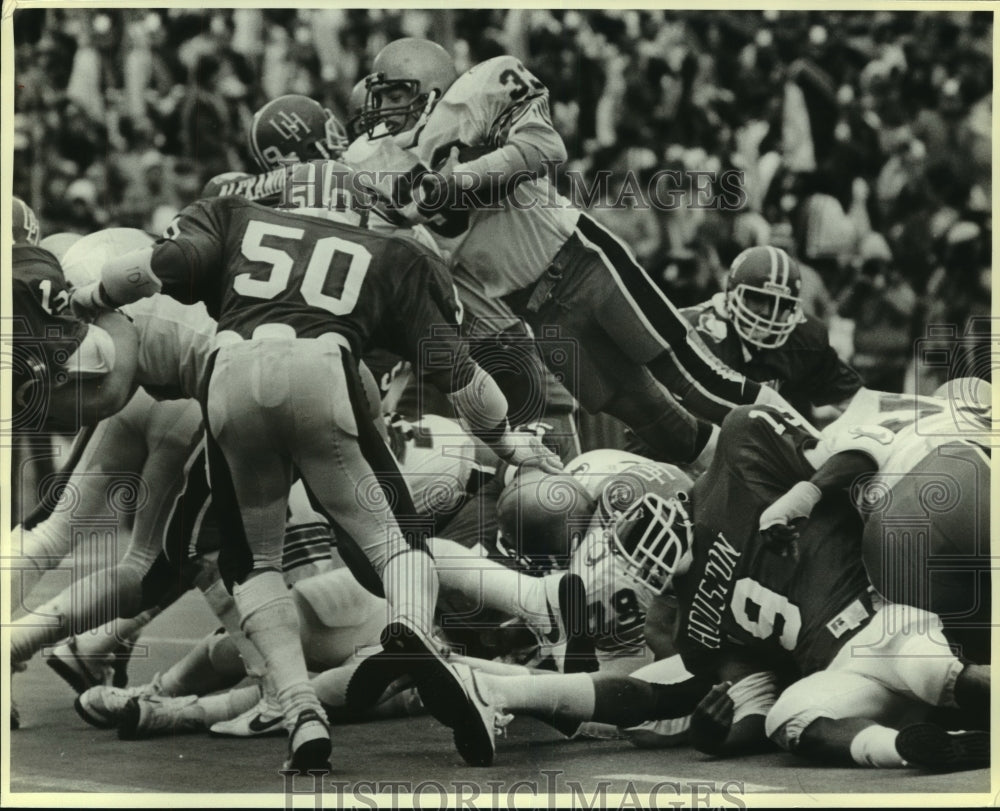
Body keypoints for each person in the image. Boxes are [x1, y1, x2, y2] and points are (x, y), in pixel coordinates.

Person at [71, 192, 562, 772]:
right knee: (395, 542)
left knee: (254, 564)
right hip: (324, 371)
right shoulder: (395, 251)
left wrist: (90, 297)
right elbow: (462, 377)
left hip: (230, 372)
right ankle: (413, 629)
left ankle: (300, 709)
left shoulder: (234, 212)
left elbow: (159, 267)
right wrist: (506, 440)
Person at [347, 38, 807, 466]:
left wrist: (453, 182)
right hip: (532, 310)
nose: (383, 110)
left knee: (695, 378)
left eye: (393, 95)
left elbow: (544, 147)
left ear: (430, 87)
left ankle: (815, 451)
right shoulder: (377, 165)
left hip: (581, 260)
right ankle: (737, 484)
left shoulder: (482, 89)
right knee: (644, 413)